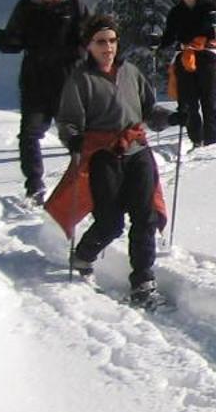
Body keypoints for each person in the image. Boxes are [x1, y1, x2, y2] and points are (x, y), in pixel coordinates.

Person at [47, 16, 174, 308]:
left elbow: (148, 109)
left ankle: (143, 283)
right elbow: (67, 122)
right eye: (101, 42)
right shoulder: (80, 79)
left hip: (137, 151)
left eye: (113, 41)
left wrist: (171, 118)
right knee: (111, 222)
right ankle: (83, 256)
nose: (108, 47)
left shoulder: (131, 72)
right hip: (103, 155)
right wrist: (74, 139)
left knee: (145, 217)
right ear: (89, 45)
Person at [0, 0, 87, 203]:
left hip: (68, 80)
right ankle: (34, 186)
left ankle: (85, 180)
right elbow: (15, 40)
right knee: (30, 135)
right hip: (35, 80)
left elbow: (89, 33)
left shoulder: (74, 3)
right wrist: (3, 40)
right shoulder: (25, 6)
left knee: (76, 136)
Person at [156, 0, 216, 147]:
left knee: (209, 99)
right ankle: (196, 138)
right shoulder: (176, 12)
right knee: (188, 102)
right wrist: (157, 43)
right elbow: (169, 37)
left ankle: (213, 140)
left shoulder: (209, 7)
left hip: (207, 55)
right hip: (185, 57)